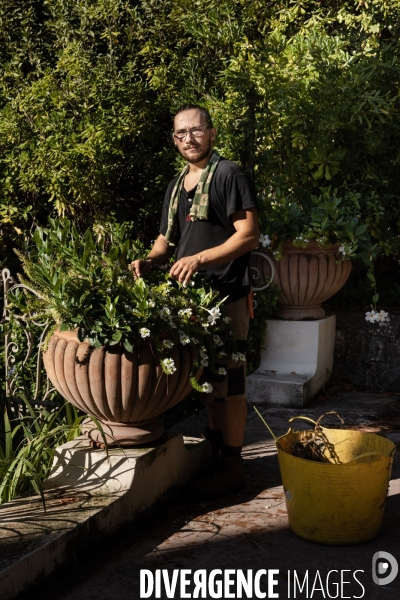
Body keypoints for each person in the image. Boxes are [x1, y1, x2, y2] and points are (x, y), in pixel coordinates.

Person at [131, 104, 259, 498]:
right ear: (174, 139)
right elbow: (166, 241)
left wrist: (201, 258)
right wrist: (150, 261)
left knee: (231, 382)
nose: (189, 138)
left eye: (196, 130)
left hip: (228, 295)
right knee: (206, 381)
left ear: (212, 133)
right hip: (193, 302)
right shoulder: (175, 186)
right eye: (180, 133)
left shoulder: (228, 174)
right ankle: (216, 449)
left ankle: (233, 465)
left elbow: (249, 234)